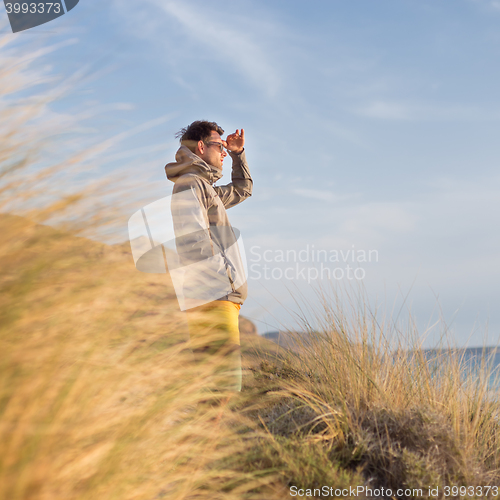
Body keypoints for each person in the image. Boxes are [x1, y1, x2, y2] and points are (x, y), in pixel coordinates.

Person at [165, 120, 252, 392]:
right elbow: (194, 242)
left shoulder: (204, 188)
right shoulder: (190, 184)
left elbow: (242, 189)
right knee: (224, 386)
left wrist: (238, 154)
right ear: (201, 147)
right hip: (214, 296)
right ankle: (198, 435)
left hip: (213, 296)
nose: (224, 152)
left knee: (215, 386)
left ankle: (199, 434)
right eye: (220, 145)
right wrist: (223, 279)